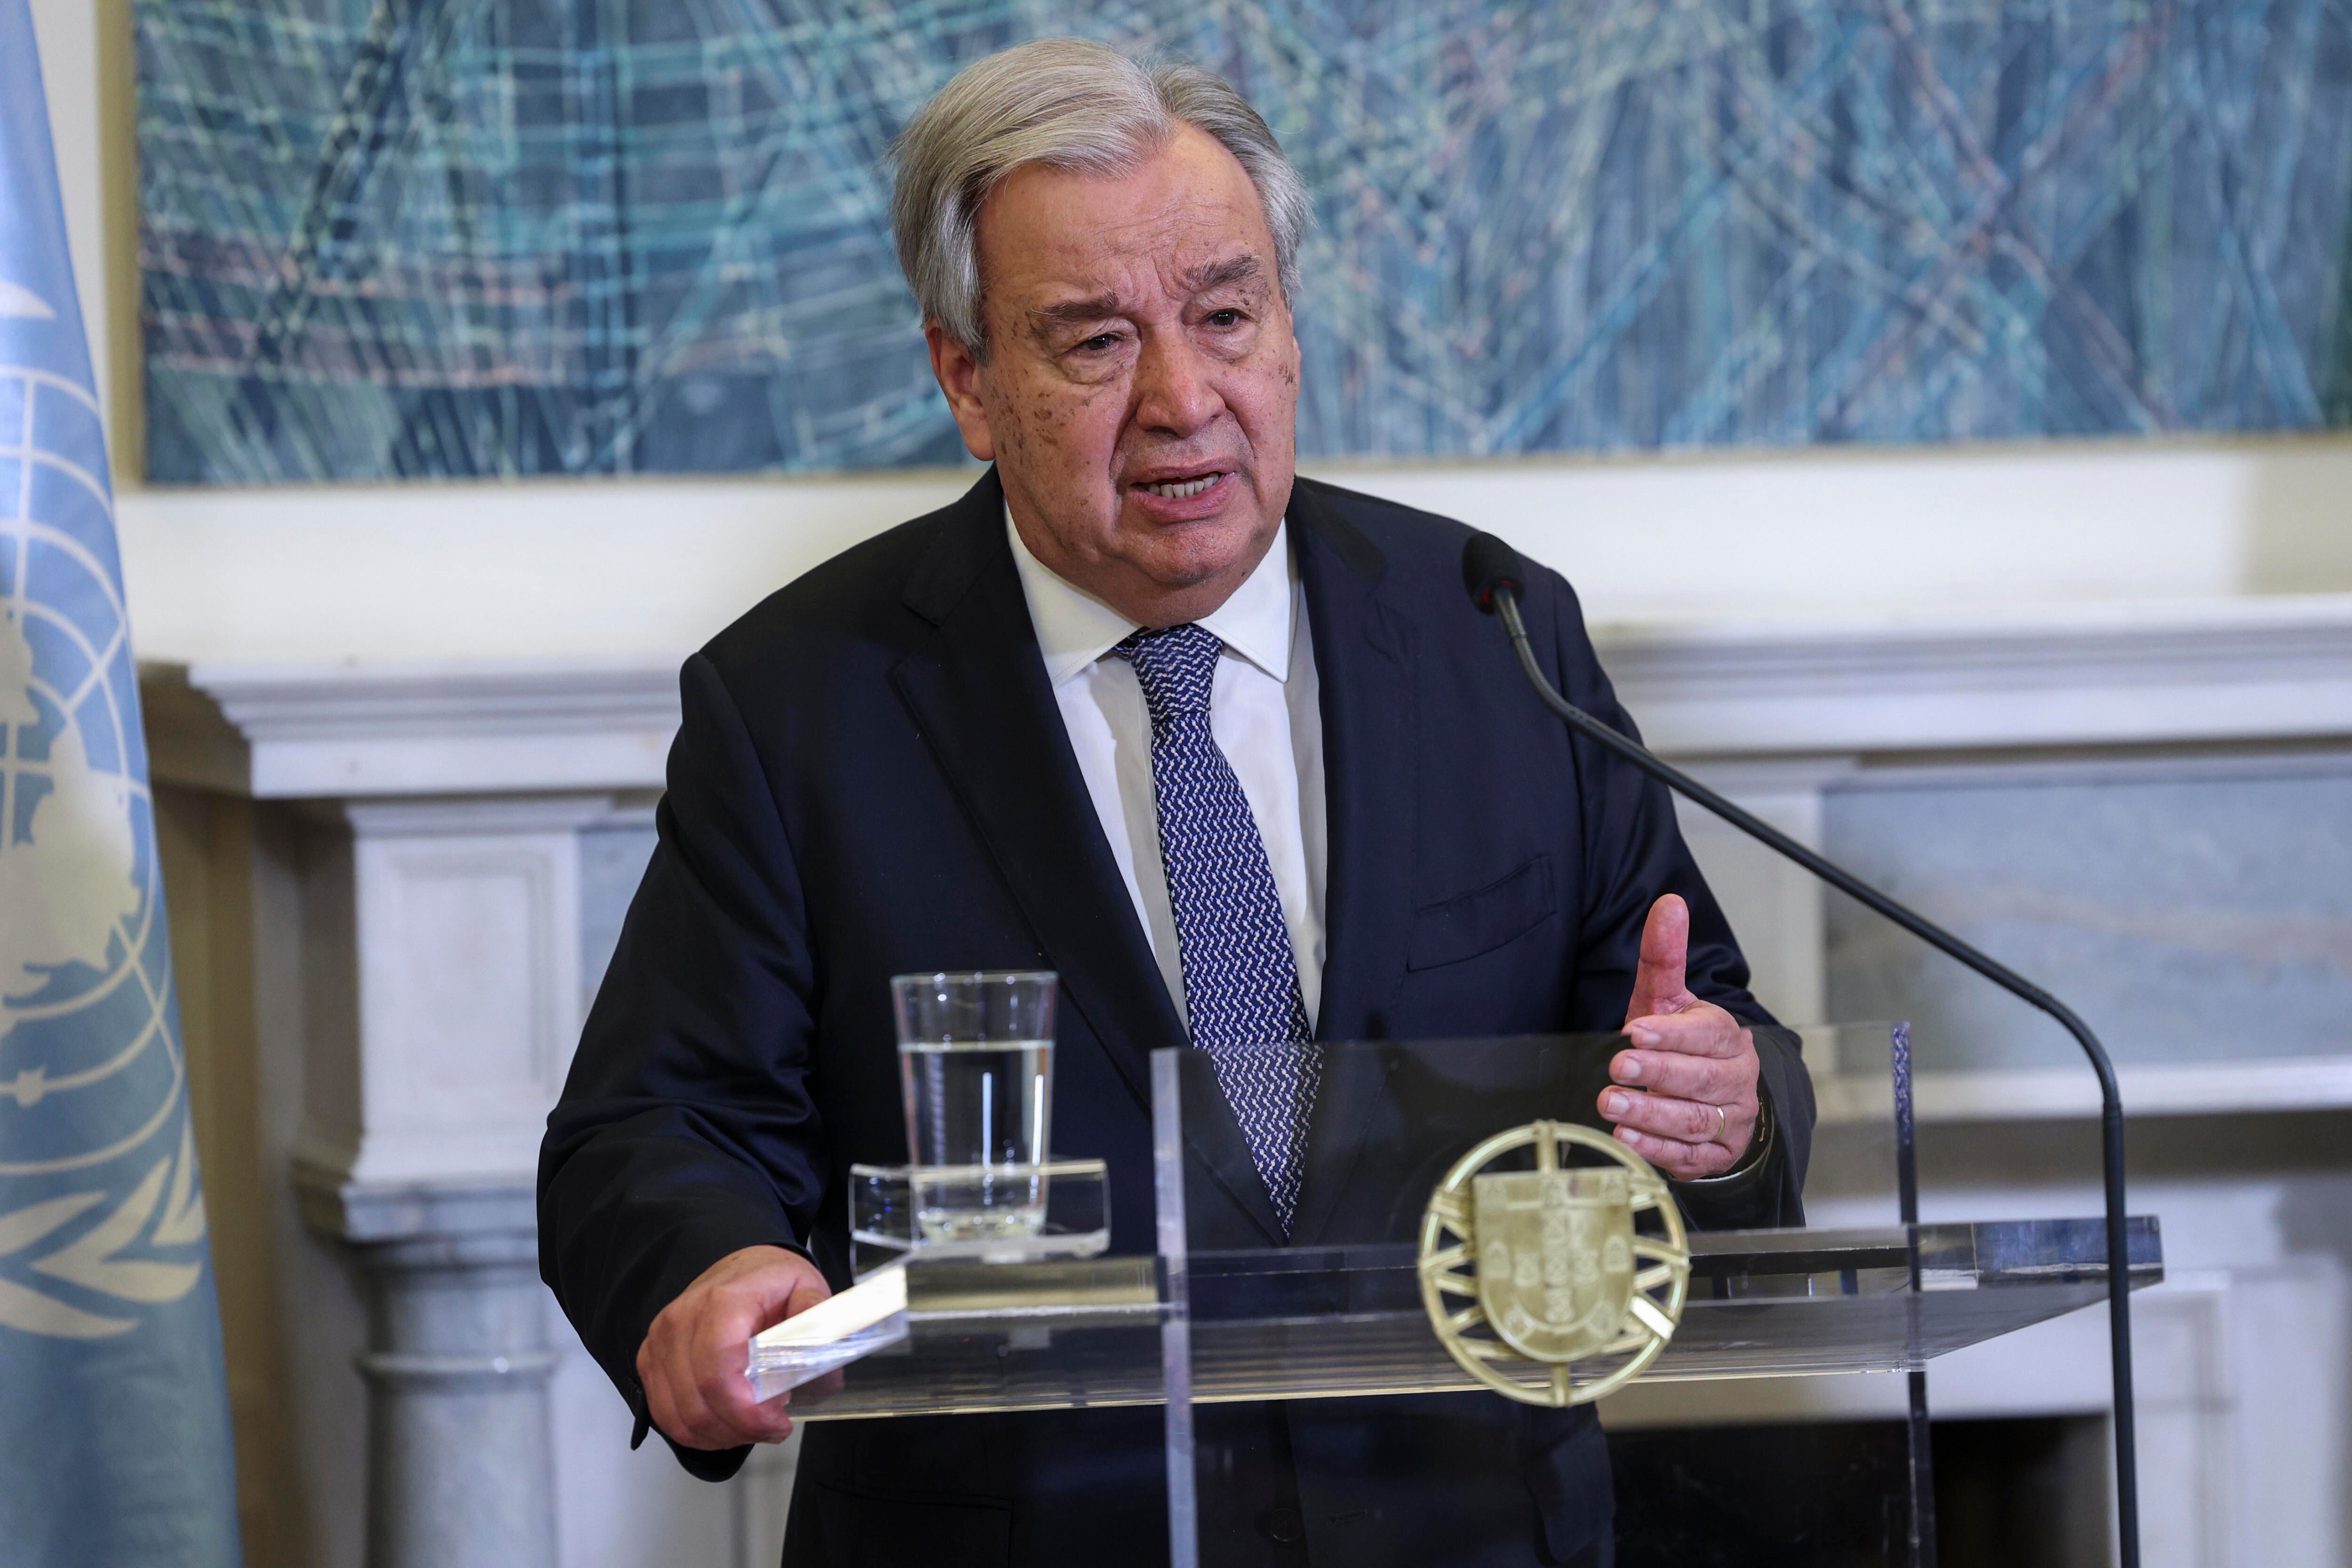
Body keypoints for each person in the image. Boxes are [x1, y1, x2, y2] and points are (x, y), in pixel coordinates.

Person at [539, 37, 1813, 1568]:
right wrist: (714, 1259)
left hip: (1469, 1527)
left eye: (1226, 316)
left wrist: (1724, 1113)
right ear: (968, 378)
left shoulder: (1493, 630)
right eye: (1092, 342)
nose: (1182, 398)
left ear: (1288, 330)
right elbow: (652, 1123)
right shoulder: (806, 700)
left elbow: (1712, 1044)